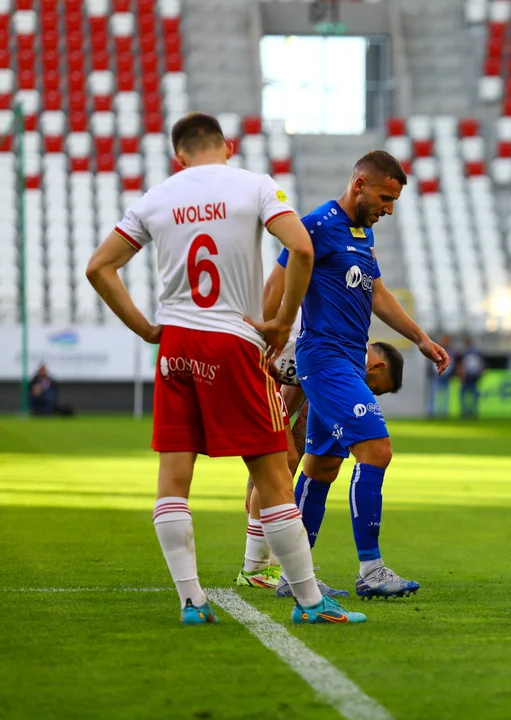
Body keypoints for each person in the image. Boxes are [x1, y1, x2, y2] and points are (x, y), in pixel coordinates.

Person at [84, 111, 364, 624]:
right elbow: (300, 247)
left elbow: (98, 266)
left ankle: (191, 601)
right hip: (232, 342)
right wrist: (280, 322)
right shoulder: (253, 186)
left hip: (175, 348)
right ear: (227, 146)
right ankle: (308, 602)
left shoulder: (155, 198)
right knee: (274, 477)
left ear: (179, 156)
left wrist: (147, 329)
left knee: (172, 481)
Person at [278, 150, 450, 601]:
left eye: (394, 201)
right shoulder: (315, 226)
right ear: (359, 183)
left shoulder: (360, 235)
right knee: (376, 449)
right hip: (326, 359)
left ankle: (293, 575)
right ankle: (371, 570)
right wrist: (269, 336)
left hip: (349, 359)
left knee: (321, 466)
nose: (388, 209)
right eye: (385, 197)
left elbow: (378, 294)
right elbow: (278, 281)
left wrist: (419, 338)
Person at [236, 312, 405, 592]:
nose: (367, 393)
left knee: (293, 460)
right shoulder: (334, 349)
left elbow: (295, 404)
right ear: (376, 366)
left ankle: (271, 568)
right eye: (373, 388)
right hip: (250, 370)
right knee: (282, 461)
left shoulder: (330, 347)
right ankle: (257, 566)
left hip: (266, 370)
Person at [430, 333, 456, 417]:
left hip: (446, 377)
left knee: (445, 397)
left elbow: (452, 364)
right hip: (437, 376)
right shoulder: (436, 350)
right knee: (434, 396)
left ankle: (444, 414)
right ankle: (432, 414)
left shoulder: (450, 351)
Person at [457, 337, 484, 418]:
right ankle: (473, 411)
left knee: (464, 396)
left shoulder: (464, 352)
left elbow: (461, 365)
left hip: (467, 377)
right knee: (473, 396)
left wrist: (460, 375)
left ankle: (465, 412)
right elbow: (481, 365)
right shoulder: (476, 352)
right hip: (473, 376)